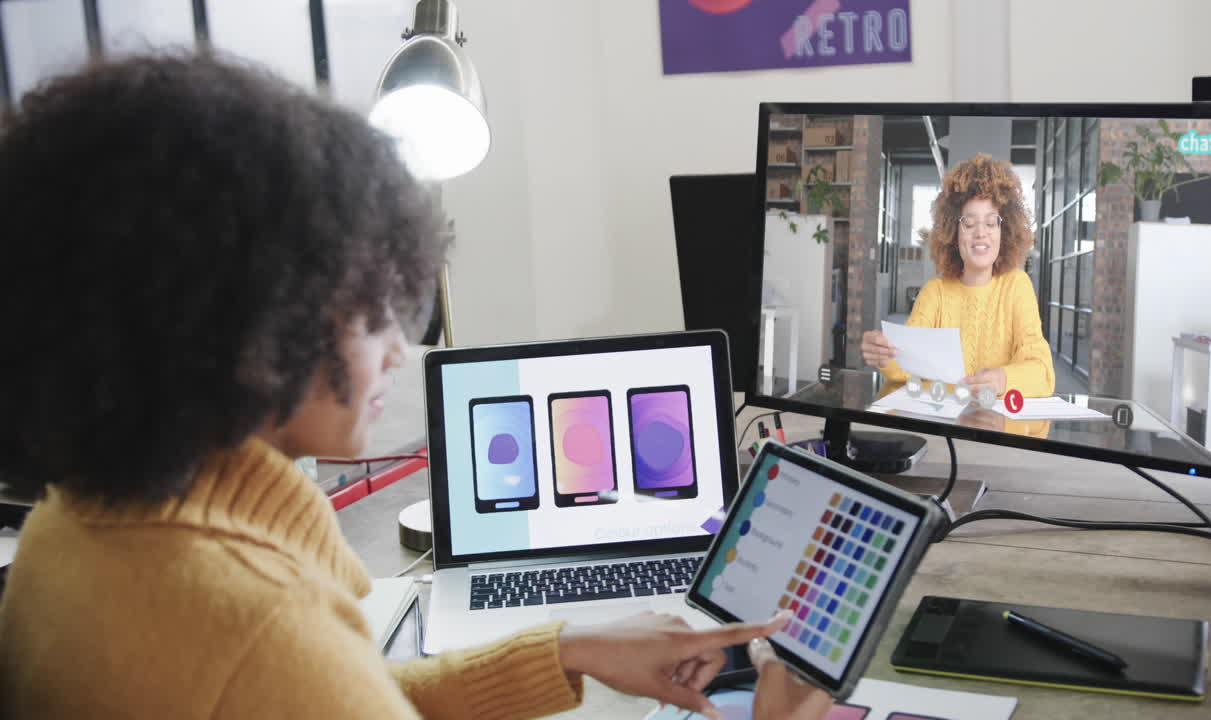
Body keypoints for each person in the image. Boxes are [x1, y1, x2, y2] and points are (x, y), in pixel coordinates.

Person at [0, 55, 832, 720]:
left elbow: (349, 696)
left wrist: (568, 649)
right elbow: (301, 681)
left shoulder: (69, 526)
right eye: (370, 307)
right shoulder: (254, 629)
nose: (402, 348)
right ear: (242, 316)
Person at [861, 153, 1055, 399]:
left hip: (998, 428)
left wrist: (1004, 379)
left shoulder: (1017, 286)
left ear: (1004, 231)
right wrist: (884, 353)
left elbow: (1043, 373)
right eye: (969, 223)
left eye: (991, 223)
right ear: (953, 232)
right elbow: (906, 367)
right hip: (945, 426)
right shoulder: (935, 292)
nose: (980, 233)